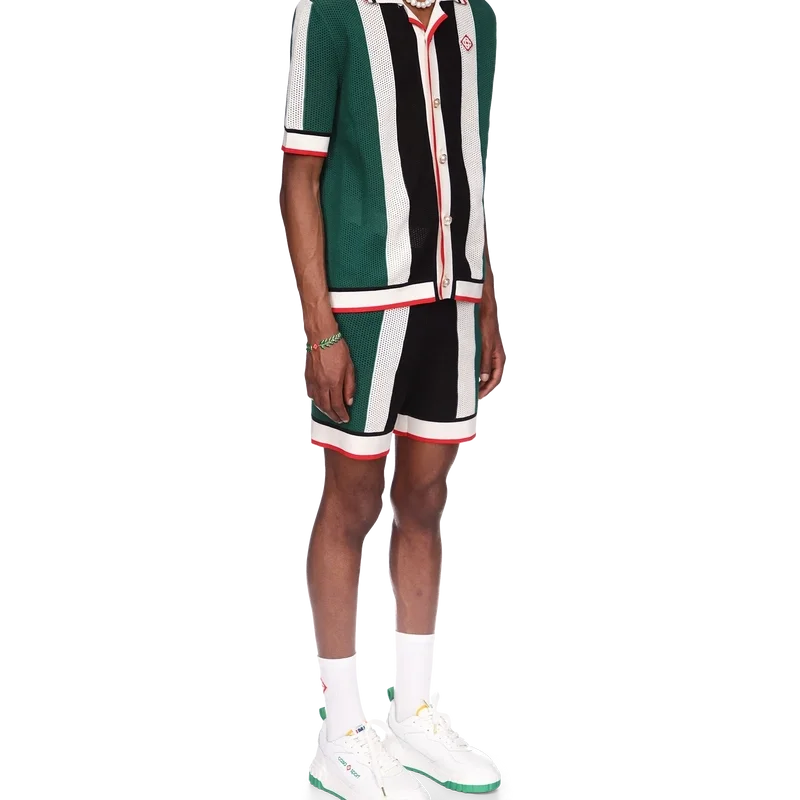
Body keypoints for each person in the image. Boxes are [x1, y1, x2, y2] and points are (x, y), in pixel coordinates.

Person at [281, 1, 505, 797]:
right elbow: (300, 173)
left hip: (453, 300)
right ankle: (340, 729)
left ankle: (413, 710)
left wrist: (487, 304)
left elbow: (470, 162)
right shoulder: (332, 13)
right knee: (350, 501)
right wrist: (320, 330)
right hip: (365, 308)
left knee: (424, 500)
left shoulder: (475, 14)